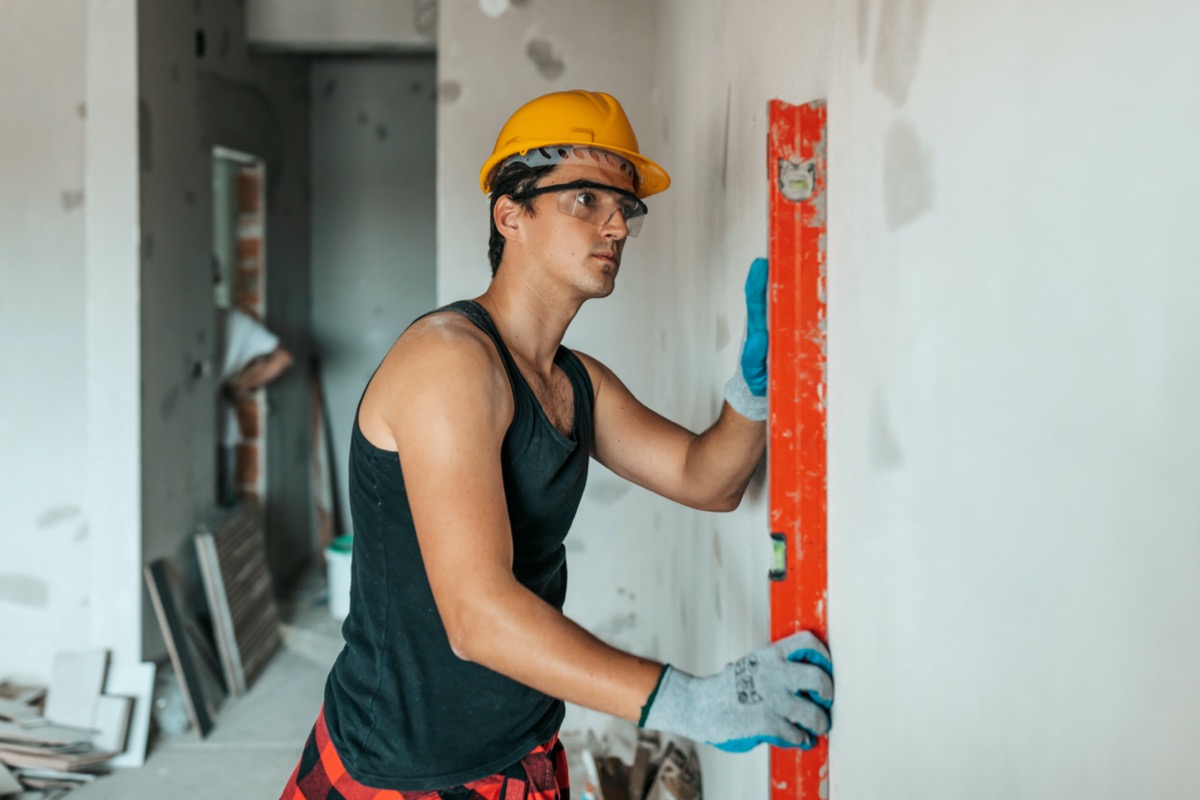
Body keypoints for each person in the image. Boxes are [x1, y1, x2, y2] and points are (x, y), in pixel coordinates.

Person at [279, 90, 833, 800]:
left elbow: (707, 479)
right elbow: (477, 618)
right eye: (584, 199)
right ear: (511, 214)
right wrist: (687, 701)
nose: (616, 227)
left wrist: (753, 392)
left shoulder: (575, 381)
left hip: (524, 746)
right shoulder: (449, 362)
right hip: (400, 771)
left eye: (625, 207)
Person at [217, 305, 293, 507]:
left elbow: (283, 359)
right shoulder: (231, 319)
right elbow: (282, 358)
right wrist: (241, 387)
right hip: (218, 428)